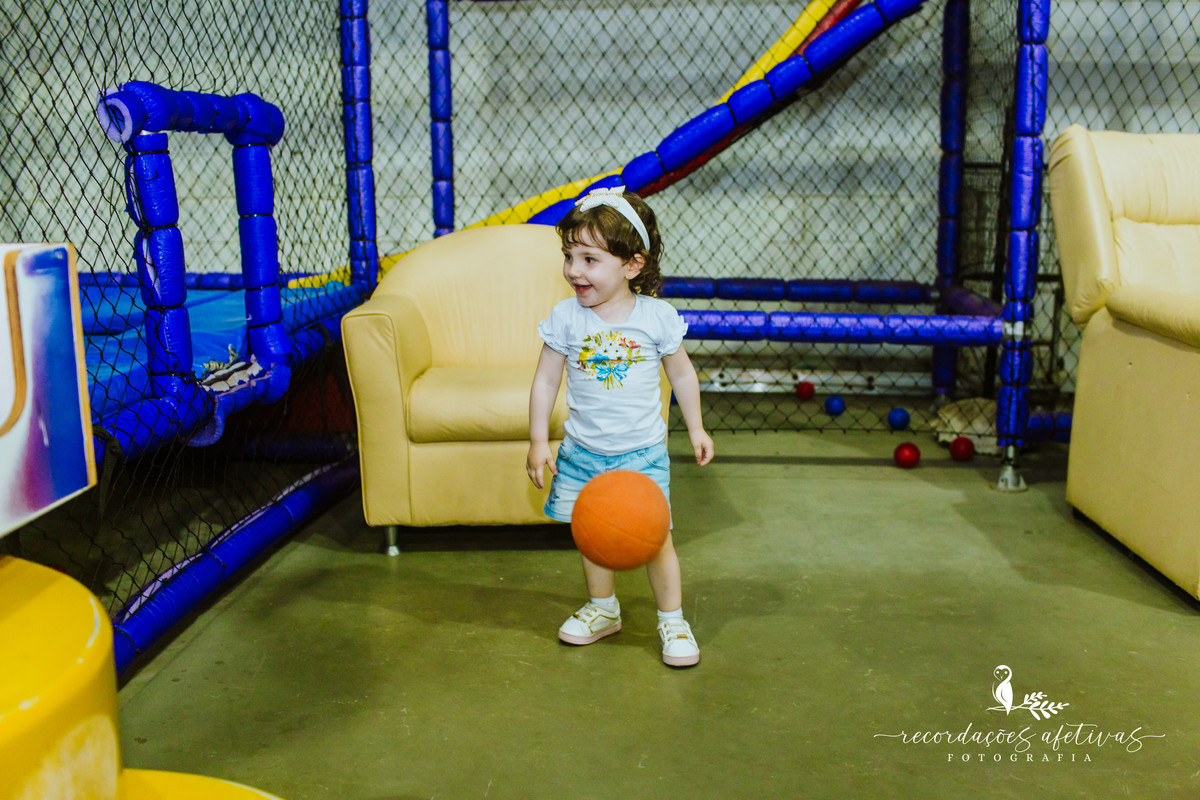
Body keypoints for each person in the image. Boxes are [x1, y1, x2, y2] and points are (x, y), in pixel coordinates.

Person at [526, 185, 714, 667]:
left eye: (589, 259)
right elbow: (546, 381)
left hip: (641, 455)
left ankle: (671, 619)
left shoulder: (656, 318)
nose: (573, 270)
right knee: (593, 534)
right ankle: (603, 608)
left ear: (632, 264)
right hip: (584, 452)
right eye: (569, 256)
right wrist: (537, 440)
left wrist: (695, 428)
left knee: (655, 540)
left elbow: (682, 373)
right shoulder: (566, 318)